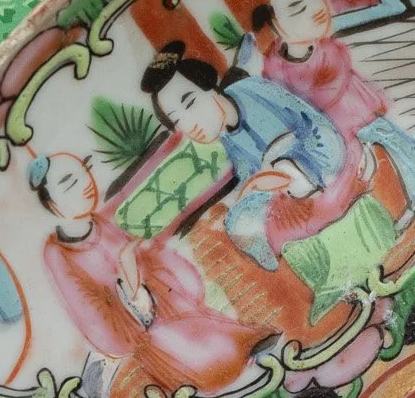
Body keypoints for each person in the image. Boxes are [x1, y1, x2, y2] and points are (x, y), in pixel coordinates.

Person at [31, 151, 266, 398]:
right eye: (69, 182)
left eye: (85, 170)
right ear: (52, 205)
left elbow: (145, 255)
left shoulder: (103, 222)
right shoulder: (58, 254)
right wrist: (132, 302)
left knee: (201, 322)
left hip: (159, 300)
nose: (86, 184)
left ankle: (244, 349)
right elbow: (89, 312)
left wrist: (144, 271)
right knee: (202, 354)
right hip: (132, 327)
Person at [141, 41, 361, 274]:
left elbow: (305, 118)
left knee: (286, 167)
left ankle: (311, 189)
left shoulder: (251, 89)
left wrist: (279, 166)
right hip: (278, 176)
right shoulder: (225, 136)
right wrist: (251, 192)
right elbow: (248, 169)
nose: (190, 124)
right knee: (238, 220)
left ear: (209, 85)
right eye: (177, 121)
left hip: (315, 145)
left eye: (190, 103)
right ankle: (274, 267)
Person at [254, 0, 415, 221]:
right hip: (329, 133)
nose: (318, 9)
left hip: (360, 115)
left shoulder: (329, 49)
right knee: (354, 176)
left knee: (400, 150)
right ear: (277, 24)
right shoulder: (275, 69)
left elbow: (344, 80)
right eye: (299, 9)